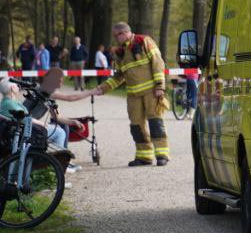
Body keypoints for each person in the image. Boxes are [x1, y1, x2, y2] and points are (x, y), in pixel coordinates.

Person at [61, 22, 170, 166]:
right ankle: (144, 156)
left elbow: (158, 63)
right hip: (133, 96)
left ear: (123, 33)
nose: (115, 39)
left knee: (156, 123)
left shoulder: (144, 41)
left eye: (116, 36)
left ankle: (162, 155)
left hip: (151, 92)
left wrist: (160, 86)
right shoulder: (120, 53)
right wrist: (102, 89)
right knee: (136, 127)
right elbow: (119, 76)